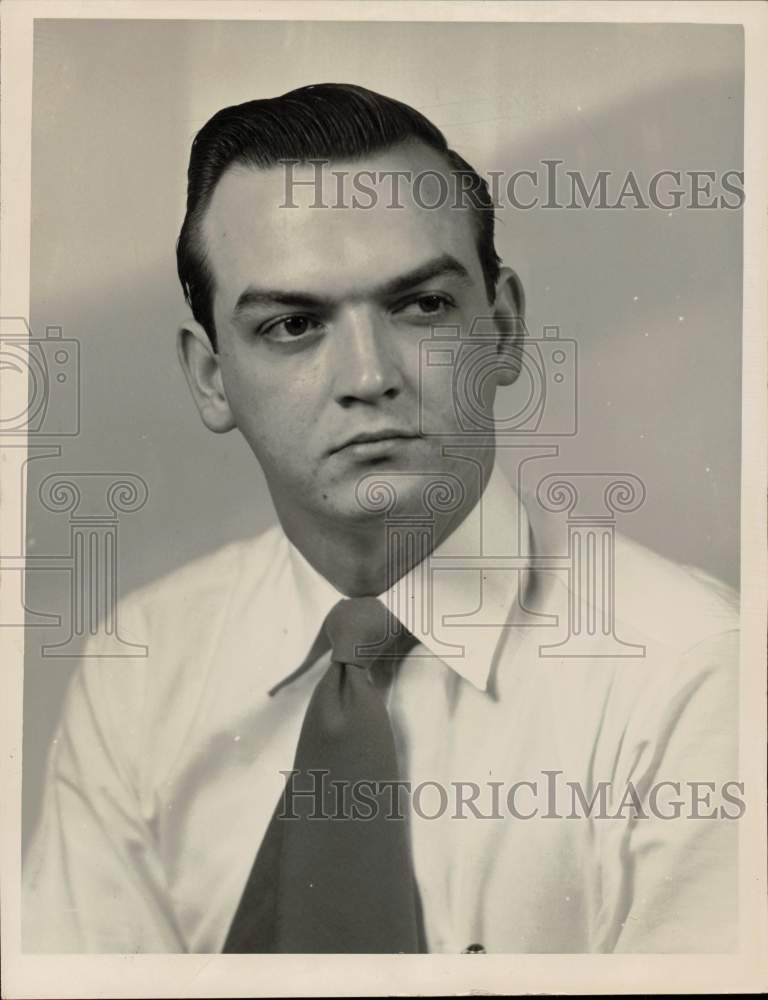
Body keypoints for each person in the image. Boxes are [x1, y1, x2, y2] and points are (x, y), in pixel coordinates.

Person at [23, 83, 740, 954]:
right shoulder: (141, 670)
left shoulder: (694, 678)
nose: (369, 374)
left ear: (505, 330)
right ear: (211, 378)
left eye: (422, 306)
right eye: (293, 324)